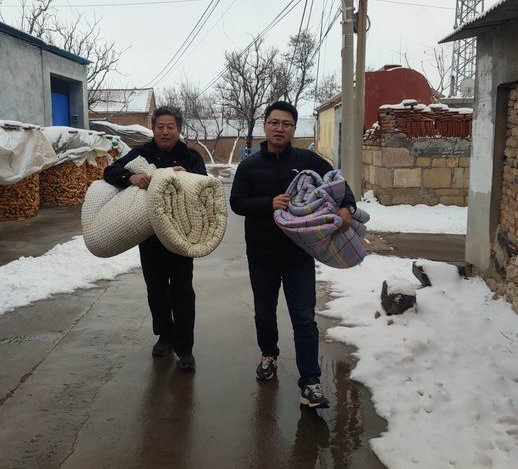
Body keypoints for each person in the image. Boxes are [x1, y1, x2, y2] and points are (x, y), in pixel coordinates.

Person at [229, 100, 357, 408]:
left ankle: (310, 381)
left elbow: (339, 183)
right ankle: (269, 354)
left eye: (286, 124)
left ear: (293, 128)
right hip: (261, 255)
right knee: (264, 312)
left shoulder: (308, 160)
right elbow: (236, 203)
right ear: (265, 125)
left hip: (299, 255)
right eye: (274, 122)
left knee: (304, 317)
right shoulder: (249, 166)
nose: (279, 128)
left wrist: (347, 208)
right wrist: (268, 203)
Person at [104, 106, 207, 372]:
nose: (164, 131)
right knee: (156, 288)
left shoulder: (190, 156)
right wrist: (131, 177)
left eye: (170, 126)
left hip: (181, 232)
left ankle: (186, 349)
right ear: (153, 128)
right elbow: (110, 172)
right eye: (160, 126)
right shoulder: (142, 153)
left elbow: (205, 183)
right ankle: (165, 335)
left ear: (179, 129)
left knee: (182, 291)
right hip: (149, 235)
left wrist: (189, 176)